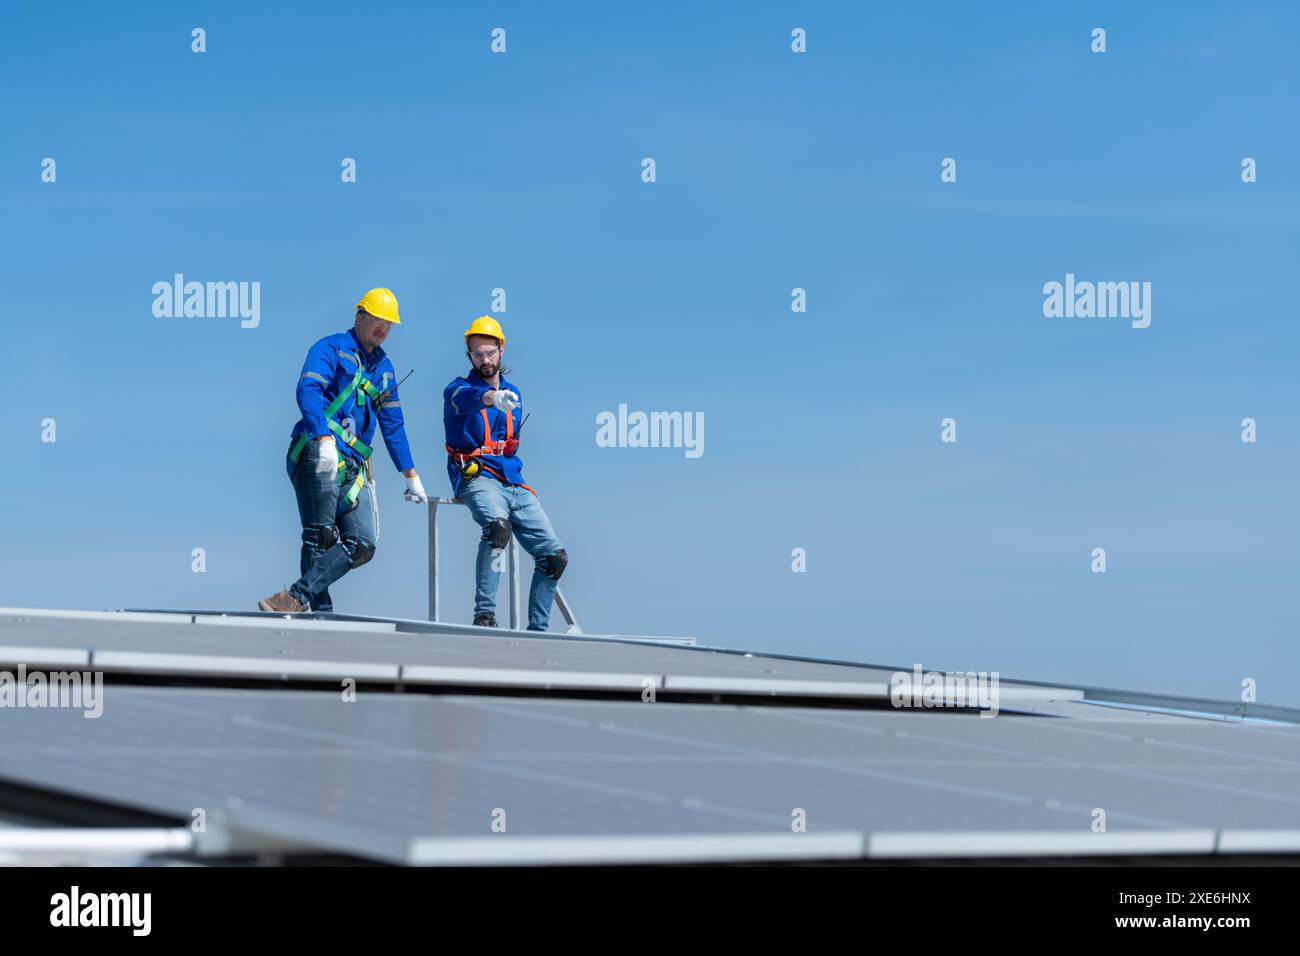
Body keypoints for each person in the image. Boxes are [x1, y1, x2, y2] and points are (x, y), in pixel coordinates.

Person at [259, 287, 428, 613]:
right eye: (377, 320)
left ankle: (295, 597)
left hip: (354, 464)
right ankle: (319, 615)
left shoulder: (385, 368)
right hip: (317, 451)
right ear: (359, 316)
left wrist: (410, 473)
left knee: (363, 544)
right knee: (320, 536)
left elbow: (393, 424)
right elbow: (308, 389)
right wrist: (322, 438)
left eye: (388, 324)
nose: (382, 328)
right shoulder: (331, 347)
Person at [443, 316, 567, 630]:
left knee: (554, 557)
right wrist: (490, 397)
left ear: (501, 350)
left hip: (511, 478)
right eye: (477, 354)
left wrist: (500, 397)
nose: (484, 360)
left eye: (489, 353)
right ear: (469, 356)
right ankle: (484, 615)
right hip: (476, 475)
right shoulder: (458, 389)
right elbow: (467, 399)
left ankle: (538, 632)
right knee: (498, 530)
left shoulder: (515, 393)